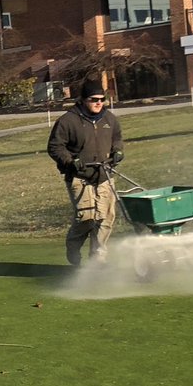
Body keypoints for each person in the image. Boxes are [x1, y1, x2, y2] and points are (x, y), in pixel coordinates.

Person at [47, 78, 124, 266]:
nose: (99, 103)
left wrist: (118, 152)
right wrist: (71, 161)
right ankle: (73, 247)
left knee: (105, 218)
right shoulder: (68, 121)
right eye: (94, 99)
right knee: (87, 218)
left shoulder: (109, 119)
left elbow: (117, 139)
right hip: (79, 177)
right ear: (83, 100)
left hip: (104, 175)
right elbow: (55, 147)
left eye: (102, 99)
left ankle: (97, 259)